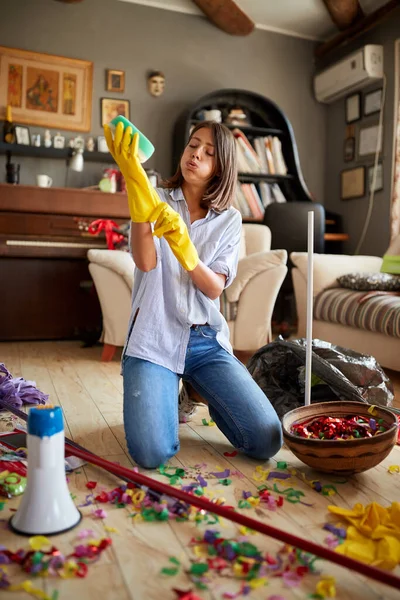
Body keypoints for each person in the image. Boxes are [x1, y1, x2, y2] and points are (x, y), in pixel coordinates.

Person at [103, 120, 282, 469]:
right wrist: (138, 195)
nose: (196, 154)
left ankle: (198, 387)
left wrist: (185, 249)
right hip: (153, 334)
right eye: (192, 145)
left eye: (209, 152)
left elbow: (215, 286)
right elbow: (144, 260)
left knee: (266, 438)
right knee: (151, 453)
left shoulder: (229, 219)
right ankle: (173, 390)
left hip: (203, 340)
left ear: (222, 167)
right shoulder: (154, 198)